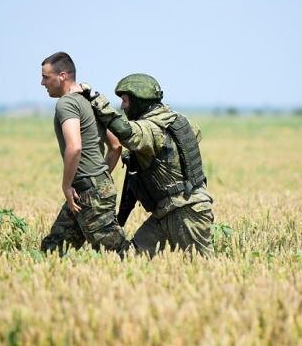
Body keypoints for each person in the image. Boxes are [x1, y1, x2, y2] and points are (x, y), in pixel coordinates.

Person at [82, 73, 214, 257]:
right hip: (165, 212)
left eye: (125, 101)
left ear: (139, 101)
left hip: (186, 212)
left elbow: (126, 132)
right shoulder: (178, 120)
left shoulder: (152, 129)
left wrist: (96, 100)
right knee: (130, 259)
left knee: (203, 269)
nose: (122, 106)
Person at [38, 52, 131, 257]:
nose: (42, 82)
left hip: (87, 191)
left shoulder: (67, 103)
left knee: (117, 252)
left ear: (62, 76)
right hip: (91, 188)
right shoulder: (87, 101)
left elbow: (74, 147)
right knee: (54, 249)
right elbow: (115, 146)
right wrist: (100, 178)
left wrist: (66, 185)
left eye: (46, 77)